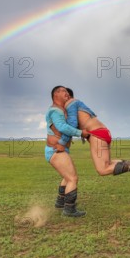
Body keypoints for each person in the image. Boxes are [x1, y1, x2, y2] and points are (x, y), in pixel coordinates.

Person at [55, 88, 130, 182]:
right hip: (103, 132)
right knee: (108, 164)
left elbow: (72, 123)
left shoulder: (69, 103)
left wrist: (62, 142)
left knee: (102, 170)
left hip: (96, 135)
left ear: (67, 95)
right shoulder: (77, 103)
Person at [45, 85, 90, 217]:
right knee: (72, 178)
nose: (67, 94)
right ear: (56, 94)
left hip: (58, 150)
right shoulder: (55, 111)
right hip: (55, 151)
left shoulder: (60, 110)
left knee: (67, 177)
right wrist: (81, 133)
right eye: (64, 91)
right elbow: (62, 127)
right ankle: (69, 210)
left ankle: (60, 202)